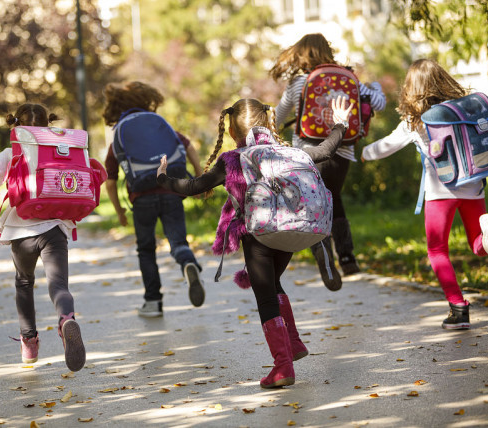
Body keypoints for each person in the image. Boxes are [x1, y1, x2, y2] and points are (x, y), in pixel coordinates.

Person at [157, 96, 353, 388]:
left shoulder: (233, 159)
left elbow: (193, 187)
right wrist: (340, 124)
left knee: (265, 296)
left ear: (233, 132)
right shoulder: (287, 151)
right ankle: (294, 344)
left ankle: (283, 367)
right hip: (295, 229)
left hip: (259, 234)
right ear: (267, 123)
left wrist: (162, 177)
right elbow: (325, 150)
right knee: (273, 284)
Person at [0, 103, 86, 371]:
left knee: (24, 283)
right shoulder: (59, 148)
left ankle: (29, 342)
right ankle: (66, 319)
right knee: (59, 285)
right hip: (55, 228)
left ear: (16, 127)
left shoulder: (12, 152)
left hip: (21, 231)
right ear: (47, 126)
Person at [361, 59, 488, 330]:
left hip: (440, 191)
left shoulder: (415, 120)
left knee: (437, 250)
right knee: (479, 244)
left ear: (413, 88)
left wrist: (361, 153)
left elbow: (385, 146)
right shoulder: (463, 108)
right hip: (473, 185)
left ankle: (458, 309)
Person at [270, 33, 387, 290]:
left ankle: (324, 255)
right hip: (342, 154)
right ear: (328, 51)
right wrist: (375, 87)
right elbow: (380, 102)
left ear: (302, 55)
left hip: (308, 155)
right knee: (334, 197)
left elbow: (277, 117)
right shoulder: (350, 78)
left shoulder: (299, 82)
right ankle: (347, 257)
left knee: (312, 208)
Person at [103, 81, 205, 318]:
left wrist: (119, 212)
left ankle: (153, 302)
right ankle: (187, 261)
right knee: (178, 241)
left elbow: (110, 181)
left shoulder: (120, 132)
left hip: (141, 199)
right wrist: (199, 178)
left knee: (146, 249)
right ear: (147, 100)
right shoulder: (159, 124)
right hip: (171, 191)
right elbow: (187, 146)